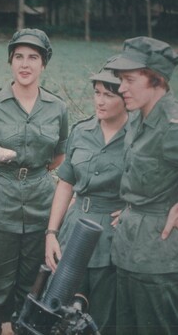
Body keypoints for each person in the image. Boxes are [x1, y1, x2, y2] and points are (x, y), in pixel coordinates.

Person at [0, 28, 68, 334]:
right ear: (10, 61)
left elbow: (59, 156)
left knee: (31, 292)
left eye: (33, 57)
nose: (25, 64)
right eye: (18, 56)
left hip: (40, 206)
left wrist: (32, 174)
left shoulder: (57, 108)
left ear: (43, 64)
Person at [44, 58, 129, 334]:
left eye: (109, 94)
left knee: (103, 319)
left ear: (125, 98)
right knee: (61, 311)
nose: (100, 101)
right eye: (97, 93)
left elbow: (155, 184)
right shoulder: (81, 131)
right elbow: (66, 184)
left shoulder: (137, 137)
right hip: (75, 229)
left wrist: (133, 208)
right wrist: (51, 233)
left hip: (113, 236)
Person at [104, 36, 178, 334]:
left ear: (156, 80)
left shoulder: (172, 126)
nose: (121, 88)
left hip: (159, 256)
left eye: (129, 80)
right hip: (128, 247)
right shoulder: (136, 120)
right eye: (121, 80)